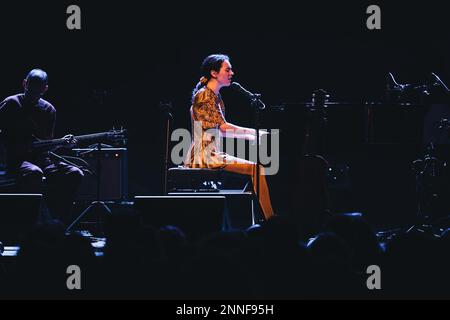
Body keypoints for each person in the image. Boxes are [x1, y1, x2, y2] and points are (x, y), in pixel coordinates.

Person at [185, 54, 274, 220]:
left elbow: (220, 127)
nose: (231, 72)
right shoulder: (205, 96)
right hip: (203, 156)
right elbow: (223, 128)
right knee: (256, 169)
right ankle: (271, 220)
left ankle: (260, 218)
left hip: (211, 153)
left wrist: (252, 136)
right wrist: (253, 134)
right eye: (227, 69)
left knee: (256, 169)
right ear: (214, 73)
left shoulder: (214, 95)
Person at [0, 69, 84, 224]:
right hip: (16, 161)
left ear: (45, 89)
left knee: (75, 173)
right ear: (24, 83)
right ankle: (35, 223)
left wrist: (62, 145)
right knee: (34, 173)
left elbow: (47, 145)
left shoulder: (49, 110)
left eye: (37, 91)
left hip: (41, 160)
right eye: (29, 89)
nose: (32, 94)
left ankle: (60, 223)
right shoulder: (11, 104)